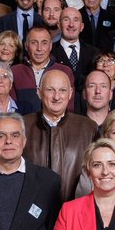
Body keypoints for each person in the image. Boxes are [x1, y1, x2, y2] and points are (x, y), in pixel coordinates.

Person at [22, 69, 98, 201]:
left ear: (70, 93)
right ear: (39, 92)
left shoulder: (88, 128)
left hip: (75, 212)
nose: (56, 97)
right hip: (31, 213)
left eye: (62, 90)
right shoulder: (22, 126)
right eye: (50, 90)